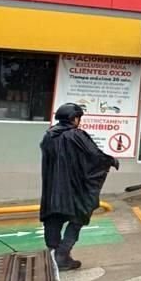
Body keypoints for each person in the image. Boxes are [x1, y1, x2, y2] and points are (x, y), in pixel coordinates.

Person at [39, 103, 119, 271]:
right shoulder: (75, 135)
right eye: (78, 118)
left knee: (53, 218)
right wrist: (110, 160)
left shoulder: (48, 136)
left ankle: (54, 253)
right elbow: (94, 155)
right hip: (74, 187)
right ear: (74, 119)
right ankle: (62, 254)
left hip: (53, 188)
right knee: (79, 216)